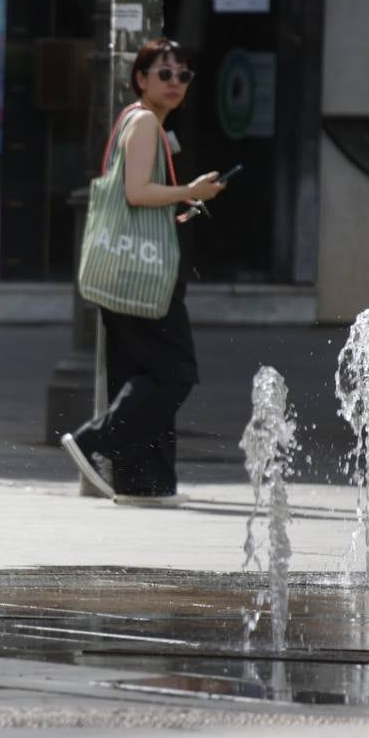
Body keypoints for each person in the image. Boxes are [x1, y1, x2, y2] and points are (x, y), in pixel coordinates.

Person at [61, 39, 225, 507]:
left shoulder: (136, 121)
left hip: (126, 270)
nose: (175, 83)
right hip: (144, 275)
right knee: (175, 372)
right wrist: (187, 191)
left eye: (183, 76)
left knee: (138, 372)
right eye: (164, 74)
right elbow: (135, 192)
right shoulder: (146, 122)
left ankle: (142, 482)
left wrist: (185, 199)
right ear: (141, 79)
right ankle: (93, 442)